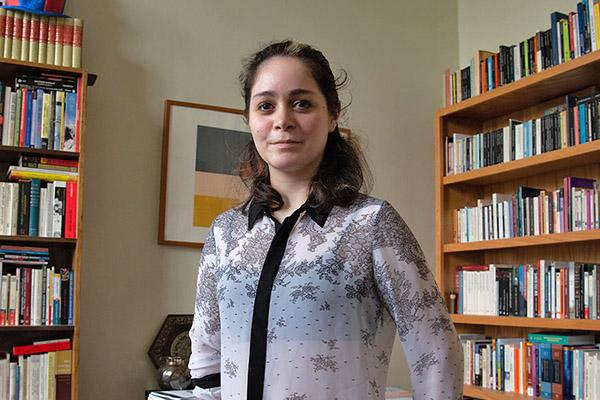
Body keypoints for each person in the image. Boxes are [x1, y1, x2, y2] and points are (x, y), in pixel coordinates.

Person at [188, 40, 463, 400]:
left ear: (333, 115)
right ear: (249, 119)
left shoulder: (372, 223)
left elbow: (436, 350)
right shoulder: (226, 232)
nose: (282, 120)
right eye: (266, 106)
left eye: (301, 103)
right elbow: (207, 354)